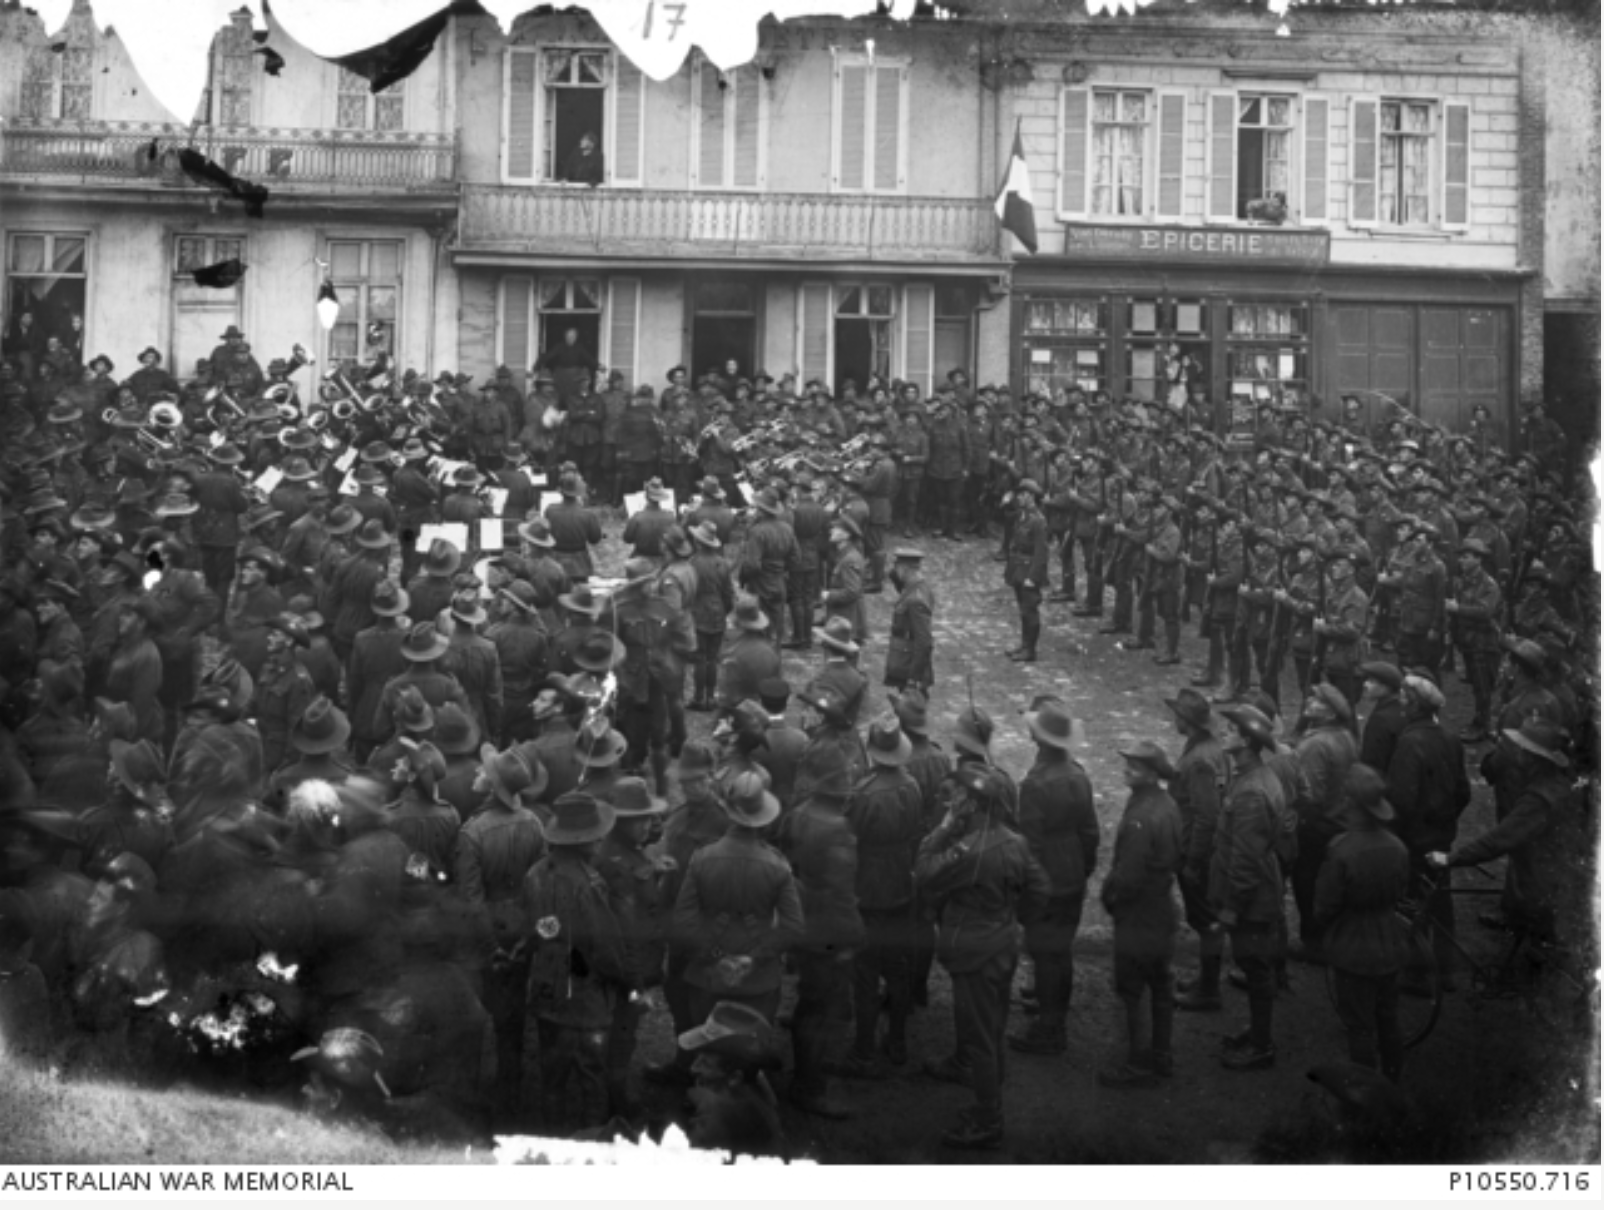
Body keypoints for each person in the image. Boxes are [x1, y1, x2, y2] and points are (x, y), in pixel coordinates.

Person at [916, 761, 1050, 1150]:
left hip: (973, 951)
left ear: (973, 805)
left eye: (959, 795)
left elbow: (924, 871)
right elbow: (1039, 889)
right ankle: (990, 1087)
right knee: (993, 1025)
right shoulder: (1015, 840)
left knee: (980, 1037)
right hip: (1003, 943)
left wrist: (942, 827)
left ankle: (988, 1116)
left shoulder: (969, 852)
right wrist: (1012, 918)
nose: (952, 799)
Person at [520, 790, 631, 1135]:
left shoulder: (535, 874)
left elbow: (535, 929)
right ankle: (594, 1138)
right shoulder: (589, 884)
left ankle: (552, 1135)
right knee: (591, 1074)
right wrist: (624, 978)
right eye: (596, 834)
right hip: (584, 997)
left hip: (546, 988)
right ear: (583, 840)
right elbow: (603, 946)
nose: (600, 840)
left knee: (552, 1072)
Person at [672, 769, 803, 1028]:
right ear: (764, 819)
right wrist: (753, 958)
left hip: (707, 976)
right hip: (758, 980)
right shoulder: (777, 865)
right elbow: (793, 927)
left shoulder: (702, 858)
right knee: (752, 1053)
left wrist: (715, 957)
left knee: (706, 1045)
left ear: (730, 812)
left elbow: (682, 920)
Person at [773, 759, 863, 1119]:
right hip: (827, 923)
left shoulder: (797, 813)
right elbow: (841, 889)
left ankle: (800, 1047)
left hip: (799, 910)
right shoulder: (838, 829)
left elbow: (784, 855)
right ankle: (810, 1087)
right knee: (821, 1011)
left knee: (810, 998)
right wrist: (854, 933)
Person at [1009, 699, 1096, 1056]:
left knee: (1045, 954)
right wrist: (1083, 865)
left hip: (1047, 878)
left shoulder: (1035, 784)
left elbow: (1030, 844)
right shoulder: (1078, 774)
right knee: (1061, 951)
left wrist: (1027, 885)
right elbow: (1090, 832)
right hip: (1073, 872)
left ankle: (1049, 1028)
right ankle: (1055, 1012)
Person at [1313, 763, 1410, 1084]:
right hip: (1390, 939)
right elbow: (1401, 892)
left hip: (1354, 945)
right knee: (1388, 1018)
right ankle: (1393, 1081)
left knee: (1359, 1025)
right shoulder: (1397, 847)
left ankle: (1365, 1096)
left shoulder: (1341, 850)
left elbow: (1325, 905)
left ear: (1351, 803)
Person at [1097, 741, 1183, 1088]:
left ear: (1152, 773)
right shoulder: (1167, 804)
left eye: (1135, 766)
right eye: (1128, 763)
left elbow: (1128, 876)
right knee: (1161, 983)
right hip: (1162, 907)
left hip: (1139, 913)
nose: (1127, 769)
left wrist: (1112, 901)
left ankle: (1137, 1063)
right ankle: (1161, 1054)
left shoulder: (1140, 819)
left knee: (1133, 989)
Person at [1209, 705, 1287, 1071]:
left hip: (1252, 897)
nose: (1223, 732)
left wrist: (1230, 909)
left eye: (1230, 730)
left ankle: (1262, 1045)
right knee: (1255, 965)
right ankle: (1258, 1031)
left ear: (1246, 740)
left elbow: (1245, 862)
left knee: (1255, 967)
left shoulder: (1252, 792)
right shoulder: (1254, 776)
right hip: (1256, 889)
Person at [676, 1001, 788, 1158]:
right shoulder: (755, 1082)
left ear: (735, 1077)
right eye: (698, 1058)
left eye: (705, 1064)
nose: (693, 1068)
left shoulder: (714, 1124)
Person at [1004, 479, 1048, 663]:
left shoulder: (1038, 521)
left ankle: (1030, 650)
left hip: (1029, 569)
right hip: (1018, 567)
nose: (1019, 498)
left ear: (1031, 497)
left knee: (1030, 610)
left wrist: (1033, 577)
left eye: (1022, 494)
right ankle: (1024, 645)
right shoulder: (1022, 516)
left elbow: (1041, 552)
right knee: (1023, 610)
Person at [884, 547, 934, 694]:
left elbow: (924, 641)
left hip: (910, 664)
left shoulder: (915, 599)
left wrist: (913, 679)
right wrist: (895, 571)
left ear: (905, 569)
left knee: (912, 711)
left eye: (897, 567)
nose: (895, 570)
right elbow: (895, 578)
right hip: (907, 657)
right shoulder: (916, 586)